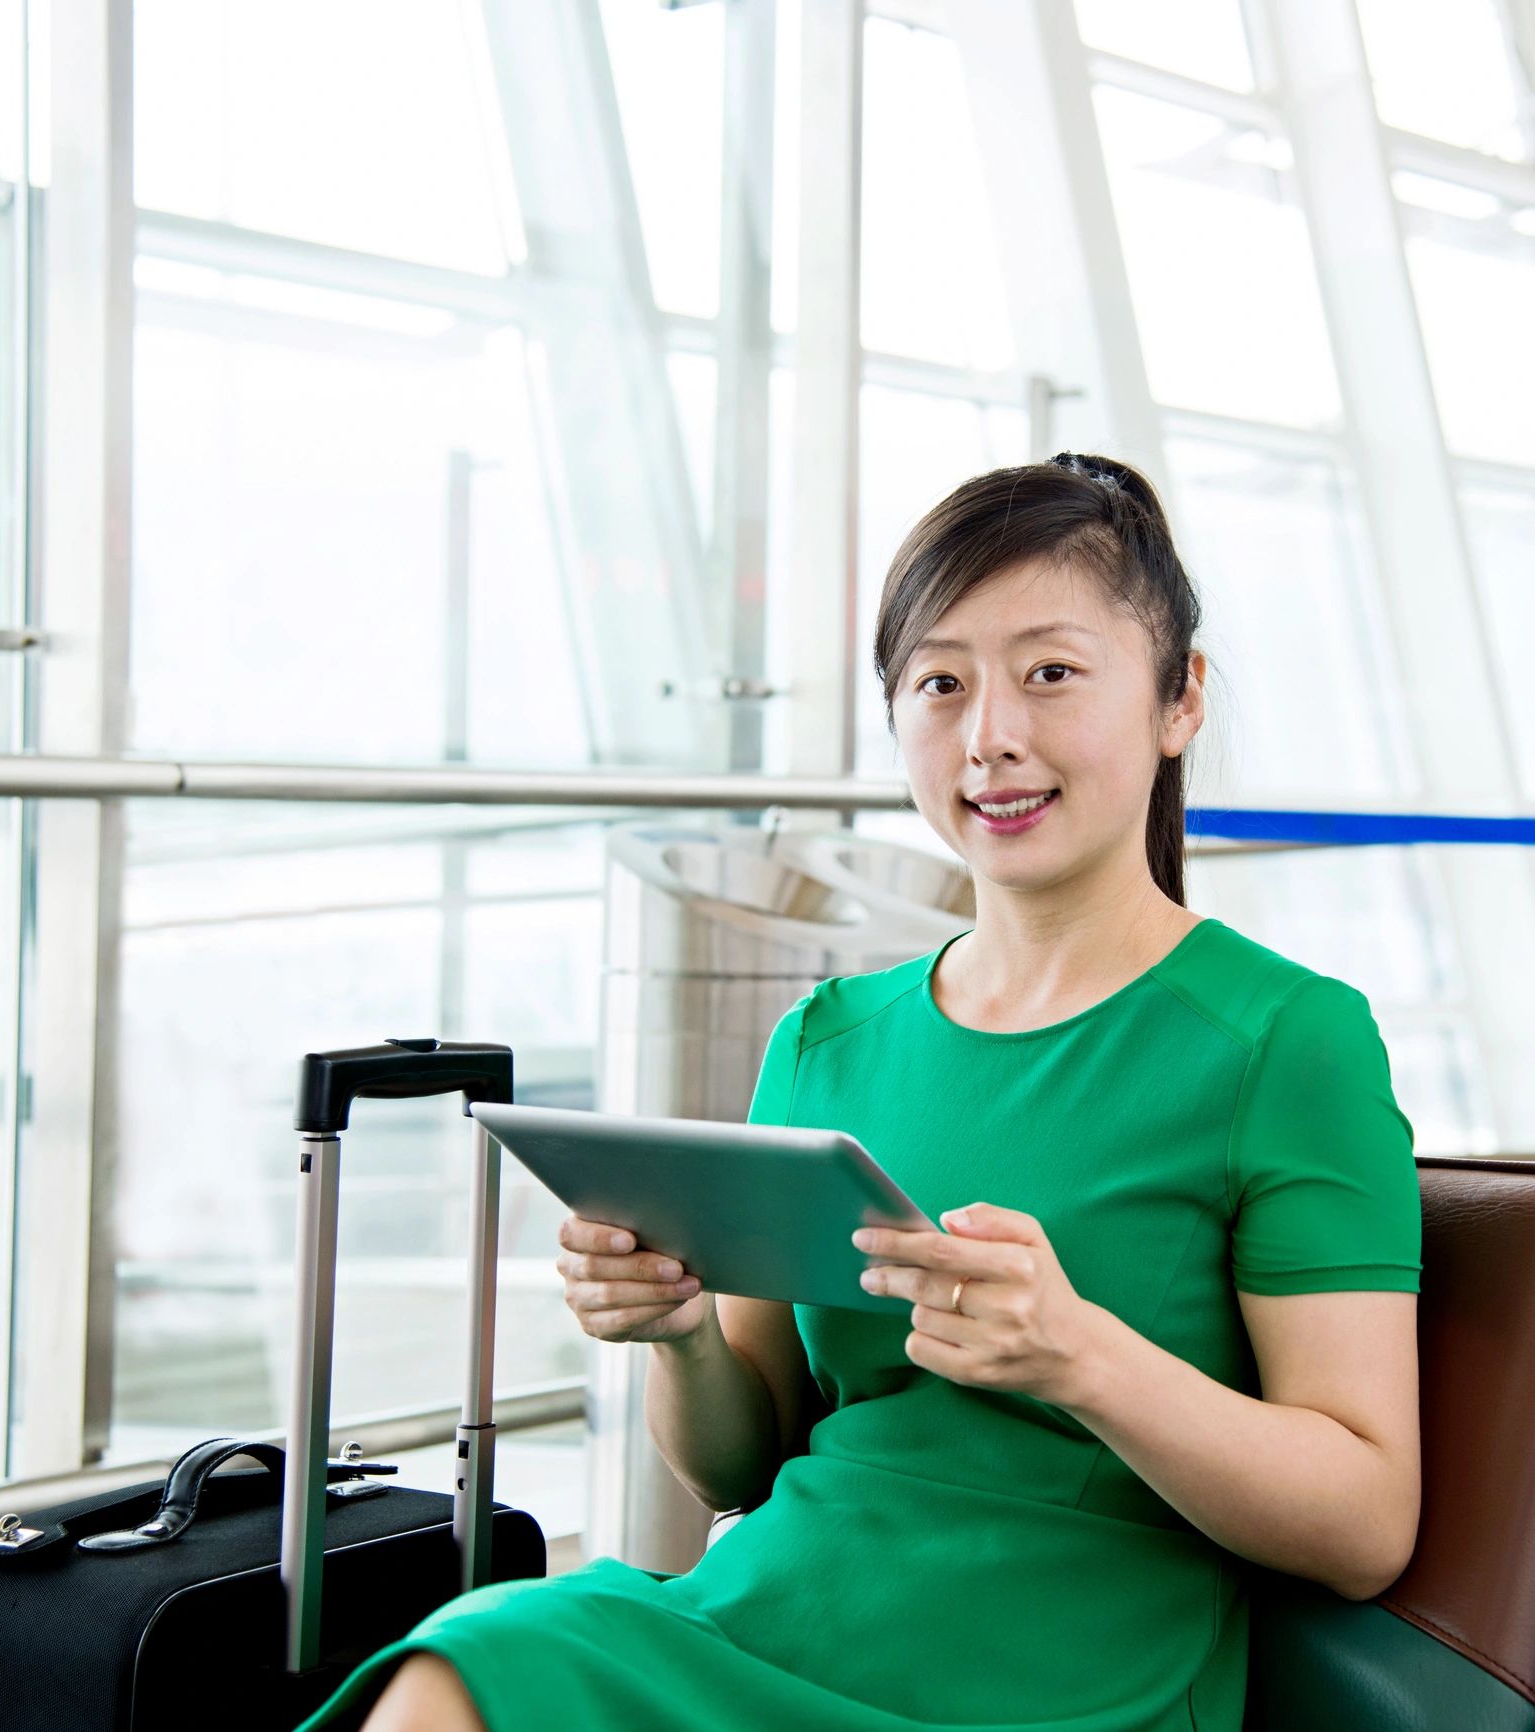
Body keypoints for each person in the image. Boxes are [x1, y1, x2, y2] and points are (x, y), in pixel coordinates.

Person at [297, 453, 1422, 1732]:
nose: (989, 735)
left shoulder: (1287, 1041)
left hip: (1058, 1678)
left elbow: (1364, 1522)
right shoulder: (826, 1041)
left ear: (1180, 700)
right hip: (774, 1611)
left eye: (1050, 673)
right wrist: (679, 1333)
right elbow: (740, 1462)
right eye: (940, 683)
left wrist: (1082, 1358)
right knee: (459, 1666)